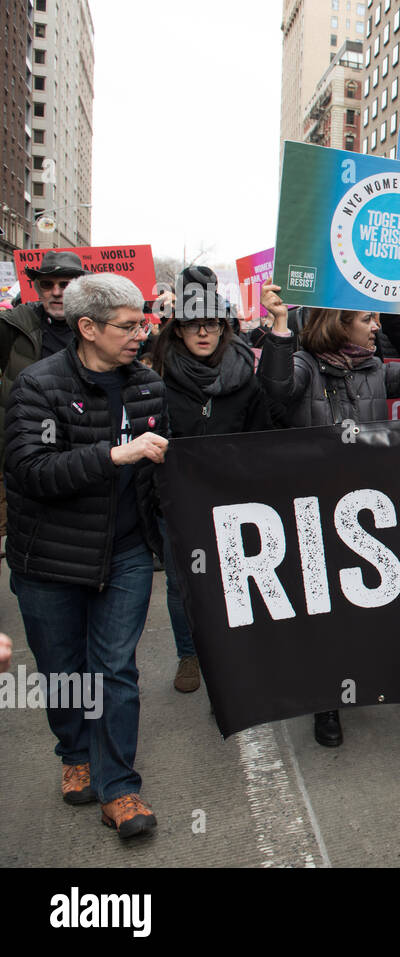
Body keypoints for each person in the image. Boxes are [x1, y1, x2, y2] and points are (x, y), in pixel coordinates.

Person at [257, 283, 400, 746]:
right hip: (313, 508)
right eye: (368, 320)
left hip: (364, 508)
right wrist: (279, 324)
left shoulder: (377, 369)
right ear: (341, 325)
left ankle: (357, 678)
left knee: (360, 601)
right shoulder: (302, 366)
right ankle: (326, 704)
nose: (377, 327)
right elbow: (275, 387)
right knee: (323, 607)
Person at [6, 274, 170, 838]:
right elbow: (30, 472)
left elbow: (165, 467)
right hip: (49, 559)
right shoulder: (37, 386)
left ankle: (120, 789)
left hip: (125, 555)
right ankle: (74, 751)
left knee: (114, 669)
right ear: (87, 328)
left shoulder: (148, 386)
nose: (139, 333)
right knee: (63, 671)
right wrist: (113, 454)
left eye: (142, 322)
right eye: (128, 326)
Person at [150, 273, 278, 693]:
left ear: (224, 327)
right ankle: (189, 655)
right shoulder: (156, 379)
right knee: (180, 582)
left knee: (232, 581)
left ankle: (231, 653)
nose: (202, 332)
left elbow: (261, 439)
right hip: (179, 500)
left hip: (231, 499)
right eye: (192, 324)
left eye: (211, 323)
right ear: (177, 330)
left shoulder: (246, 377)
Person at [1, 251, 88, 547]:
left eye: (65, 284)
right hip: (23, 450)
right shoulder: (14, 325)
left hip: (80, 450)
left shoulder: (100, 328)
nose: (56, 292)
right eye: (47, 284)